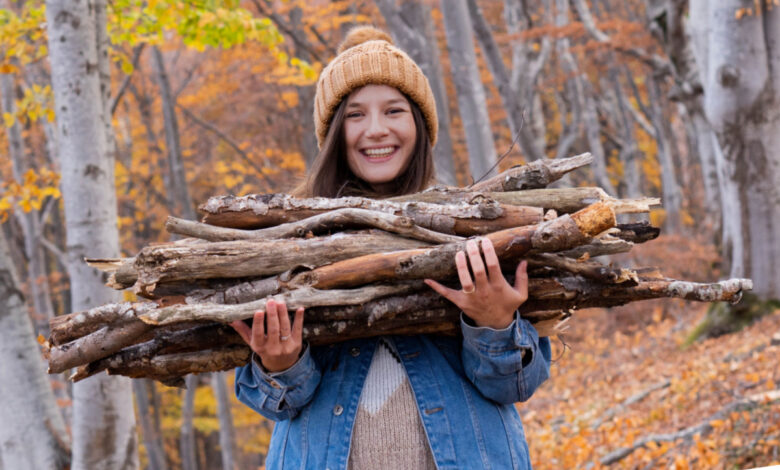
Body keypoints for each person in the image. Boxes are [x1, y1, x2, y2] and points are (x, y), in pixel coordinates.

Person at [231, 26, 551, 470]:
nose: (376, 130)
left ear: (419, 124)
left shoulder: (475, 233)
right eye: (355, 115)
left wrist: (494, 324)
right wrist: (281, 366)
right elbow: (275, 403)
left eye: (394, 110)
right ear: (333, 133)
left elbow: (517, 385)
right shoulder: (292, 244)